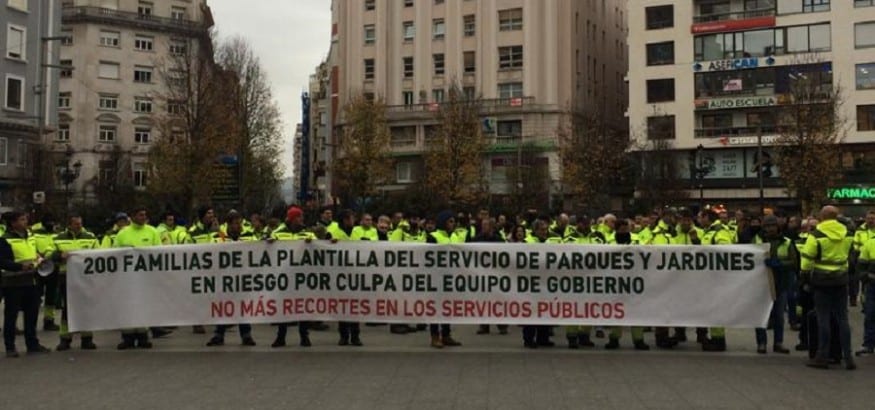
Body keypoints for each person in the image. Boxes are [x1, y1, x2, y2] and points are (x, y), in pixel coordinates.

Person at [800, 206, 855, 370]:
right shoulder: (847, 233)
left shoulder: (816, 235)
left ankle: (822, 356)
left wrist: (804, 277)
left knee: (823, 319)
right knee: (842, 319)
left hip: (821, 281)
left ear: (822, 217)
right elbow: (851, 256)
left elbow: (807, 258)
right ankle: (848, 357)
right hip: (841, 279)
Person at [0, 211, 51, 357]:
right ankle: (10, 347)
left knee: (32, 314)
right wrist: (20, 267)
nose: (25, 222)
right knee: (11, 315)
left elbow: (34, 253)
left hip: (31, 280)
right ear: (13, 223)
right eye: (22, 219)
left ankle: (32, 344)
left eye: (25, 219)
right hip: (13, 282)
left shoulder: (30, 236)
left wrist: (39, 258)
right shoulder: (4, 240)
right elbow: (2, 261)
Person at [115, 207, 163, 350]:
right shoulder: (122, 233)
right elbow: (114, 253)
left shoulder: (152, 231)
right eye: (140, 215)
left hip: (145, 277)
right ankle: (128, 337)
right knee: (127, 306)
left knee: (144, 305)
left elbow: (159, 252)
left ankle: (143, 336)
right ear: (133, 216)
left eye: (145, 215)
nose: (143, 217)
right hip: (127, 278)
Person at [207, 212, 257, 347]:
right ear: (228, 224)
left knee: (243, 306)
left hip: (243, 278)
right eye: (235, 223)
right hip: (225, 279)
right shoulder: (218, 238)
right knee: (223, 306)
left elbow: (259, 251)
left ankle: (246, 334)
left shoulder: (250, 236)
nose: (238, 226)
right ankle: (219, 334)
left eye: (239, 223)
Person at [271, 206, 318, 348]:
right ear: (291, 218)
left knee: (302, 306)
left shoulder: (307, 234)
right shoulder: (277, 233)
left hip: (302, 276)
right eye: (298, 217)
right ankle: (281, 336)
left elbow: (319, 246)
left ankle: (304, 336)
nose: (301, 219)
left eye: (301, 216)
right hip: (284, 275)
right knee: (284, 306)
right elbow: (265, 246)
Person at [51, 215, 100, 351]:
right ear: (69, 225)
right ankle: (65, 339)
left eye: (80, 223)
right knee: (67, 309)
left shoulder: (90, 237)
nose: (79, 226)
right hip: (66, 276)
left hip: (86, 277)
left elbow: (99, 253)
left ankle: (87, 338)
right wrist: (59, 255)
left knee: (86, 307)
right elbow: (49, 254)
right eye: (76, 224)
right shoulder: (58, 238)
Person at [755, 215, 797, 354]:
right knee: (761, 315)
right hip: (761, 283)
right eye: (768, 226)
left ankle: (778, 342)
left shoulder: (787, 242)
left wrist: (780, 264)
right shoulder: (757, 240)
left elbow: (794, 262)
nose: (771, 229)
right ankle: (761, 343)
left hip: (781, 282)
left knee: (779, 315)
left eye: (773, 226)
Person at [563, 214, 605, 348]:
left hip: (592, 280)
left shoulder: (598, 238)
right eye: (583, 223)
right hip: (574, 280)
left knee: (590, 309)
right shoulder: (569, 239)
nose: (586, 226)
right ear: (578, 225)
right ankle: (572, 337)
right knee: (573, 309)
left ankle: (584, 335)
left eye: (588, 223)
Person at [700, 207, 736, 352]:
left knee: (716, 308)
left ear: (707, 218)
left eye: (700, 217)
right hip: (710, 277)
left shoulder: (719, 231)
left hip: (716, 277)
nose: (699, 220)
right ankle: (716, 337)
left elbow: (725, 250)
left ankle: (718, 340)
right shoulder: (709, 231)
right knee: (712, 308)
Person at [426, 211, 463, 349]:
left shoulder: (455, 236)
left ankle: (446, 335)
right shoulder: (433, 237)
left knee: (447, 308)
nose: (453, 224)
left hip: (450, 278)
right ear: (443, 222)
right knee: (435, 309)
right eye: (451, 221)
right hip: (436, 278)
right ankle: (435, 336)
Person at [328, 210, 364, 346]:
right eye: (351, 218)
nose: (353, 221)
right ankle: (343, 335)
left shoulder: (356, 232)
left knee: (355, 306)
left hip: (355, 273)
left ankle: (355, 336)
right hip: (340, 274)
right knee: (342, 306)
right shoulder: (333, 232)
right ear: (345, 220)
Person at [522, 220, 559, 348]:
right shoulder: (527, 242)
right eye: (542, 230)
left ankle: (543, 338)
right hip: (531, 282)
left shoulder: (550, 242)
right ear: (535, 230)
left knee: (545, 310)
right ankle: (529, 339)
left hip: (546, 282)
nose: (545, 232)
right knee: (531, 311)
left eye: (545, 230)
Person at [473, 218, 509, 336]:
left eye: (485, 225)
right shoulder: (477, 239)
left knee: (498, 301)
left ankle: (502, 325)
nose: (483, 227)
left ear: (492, 227)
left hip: (496, 275)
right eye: (482, 225)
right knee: (484, 301)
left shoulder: (499, 240)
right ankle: (484, 325)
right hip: (482, 275)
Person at [30, 214, 60, 332]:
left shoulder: (57, 234)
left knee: (51, 296)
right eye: (49, 222)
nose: (51, 224)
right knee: (36, 296)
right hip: (38, 268)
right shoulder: (35, 234)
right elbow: (32, 247)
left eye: (53, 222)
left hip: (53, 268)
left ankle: (49, 320)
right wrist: (39, 258)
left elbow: (58, 248)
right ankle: (32, 321)